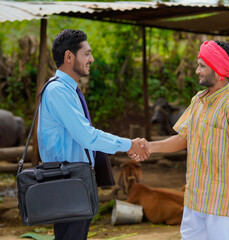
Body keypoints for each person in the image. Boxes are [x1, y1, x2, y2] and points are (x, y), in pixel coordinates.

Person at [134, 40, 229, 240]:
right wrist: (150, 146)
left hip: (222, 202)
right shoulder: (198, 100)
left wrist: (226, 173)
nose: (197, 70)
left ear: (217, 70)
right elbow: (184, 138)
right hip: (195, 197)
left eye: (202, 66)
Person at [37, 29, 149, 240]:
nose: (92, 59)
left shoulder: (69, 90)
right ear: (69, 56)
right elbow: (87, 136)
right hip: (66, 181)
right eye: (86, 53)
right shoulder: (58, 91)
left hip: (76, 179)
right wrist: (129, 145)